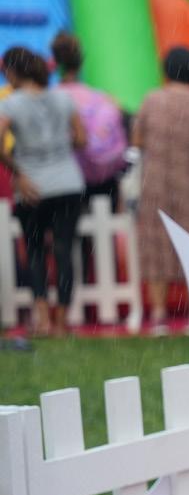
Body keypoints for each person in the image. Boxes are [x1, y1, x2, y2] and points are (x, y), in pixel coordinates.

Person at [0, 46, 86, 337]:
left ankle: (43, 319)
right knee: (64, 250)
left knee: (35, 251)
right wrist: (57, 151)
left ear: (13, 72)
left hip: (33, 186)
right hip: (68, 182)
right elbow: (81, 138)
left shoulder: (10, 104)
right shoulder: (64, 98)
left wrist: (18, 170)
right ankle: (62, 321)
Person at [132, 47, 189, 330]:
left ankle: (158, 315)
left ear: (166, 71)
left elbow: (137, 139)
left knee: (155, 245)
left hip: (155, 182)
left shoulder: (152, 100)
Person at [49, 31, 128, 213]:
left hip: (62, 183)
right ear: (80, 63)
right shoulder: (103, 99)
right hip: (102, 180)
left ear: (54, 63)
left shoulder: (47, 100)